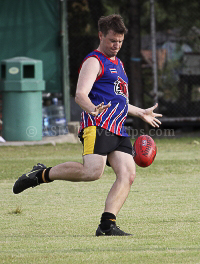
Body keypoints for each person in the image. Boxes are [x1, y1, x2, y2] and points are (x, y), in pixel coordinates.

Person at [13, 14, 162, 236]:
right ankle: (41, 175)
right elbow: (80, 95)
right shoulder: (94, 61)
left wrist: (140, 112)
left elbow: (119, 101)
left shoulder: (119, 63)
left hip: (117, 127)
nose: (117, 45)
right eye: (113, 40)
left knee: (128, 173)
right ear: (101, 36)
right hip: (98, 124)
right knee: (92, 172)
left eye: (120, 41)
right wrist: (92, 108)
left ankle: (107, 225)